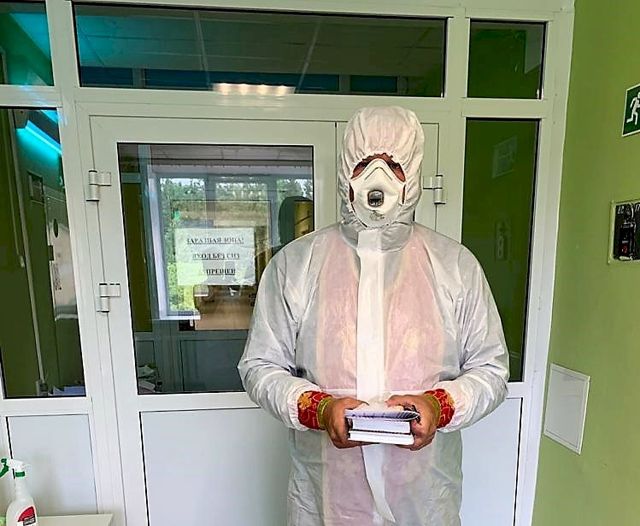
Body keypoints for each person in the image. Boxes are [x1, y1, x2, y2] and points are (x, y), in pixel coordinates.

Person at [238, 106, 509, 526]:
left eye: (394, 165)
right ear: (346, 172)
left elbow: (491, 369)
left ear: (413, 175)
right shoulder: (297, 264)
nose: (377, 177)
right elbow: (260, 365)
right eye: (364, 163)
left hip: (423, 499)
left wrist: (439, 406)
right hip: (327, 500)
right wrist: (318, 409)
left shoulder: (454, 266)